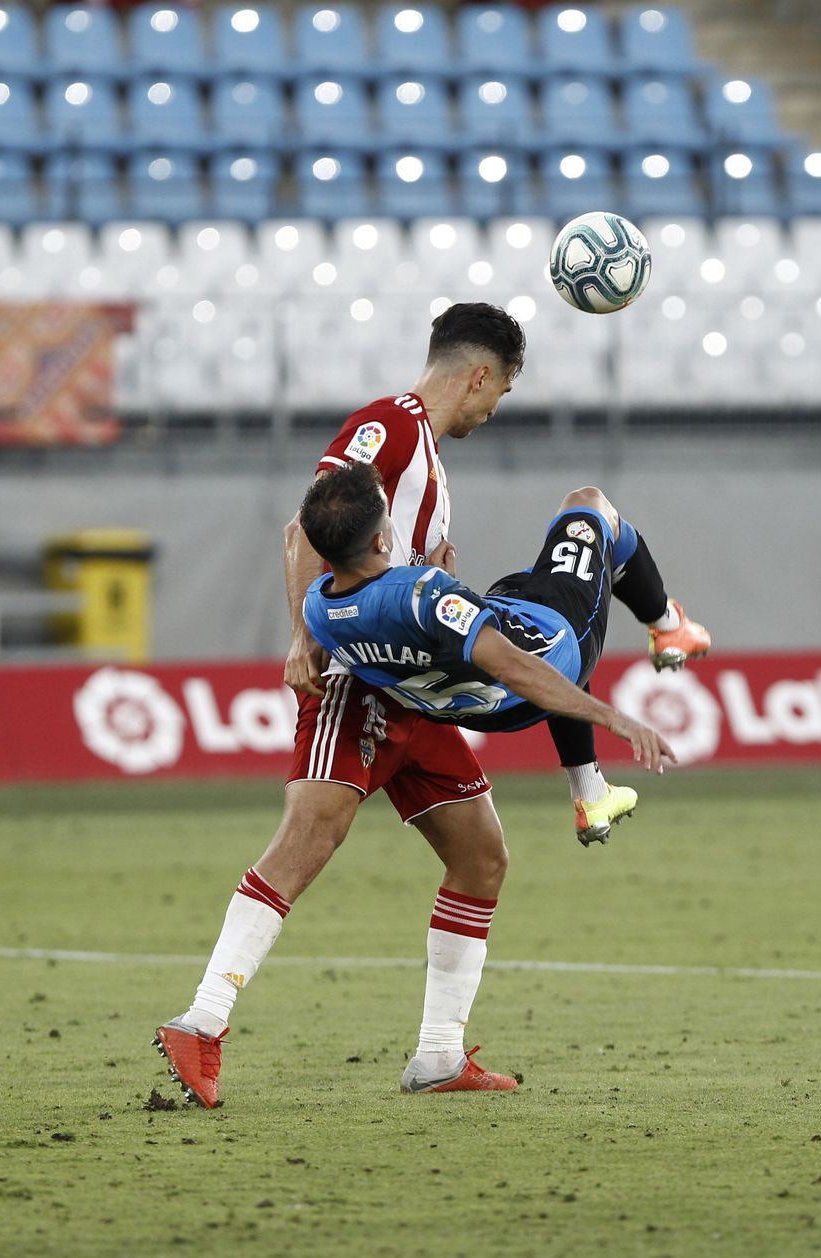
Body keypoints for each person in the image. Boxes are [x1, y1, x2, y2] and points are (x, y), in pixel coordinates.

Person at [153, 303, 705, 1109]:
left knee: (481, 857)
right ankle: (201, 1021)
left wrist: (439, 574)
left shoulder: (430, 470)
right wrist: (303, 638)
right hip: (358, 682)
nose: (495, 410)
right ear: (479, 375)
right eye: (501, 391)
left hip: (416, 691)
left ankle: (439, 1056)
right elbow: (302, 526)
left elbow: (399, 570)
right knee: (307, 840)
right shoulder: (390, 426)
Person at [297, 461, 677, 773]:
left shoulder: (316, 609)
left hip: (472, 712)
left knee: (519, 585)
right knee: (589, 506)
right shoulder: (423, 594)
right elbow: (513, 666)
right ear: (381, 541)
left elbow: (390, 627)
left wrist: (443, 588)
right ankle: (668, 627)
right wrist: (614, 719)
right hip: (552, 655)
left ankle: (590, 792)